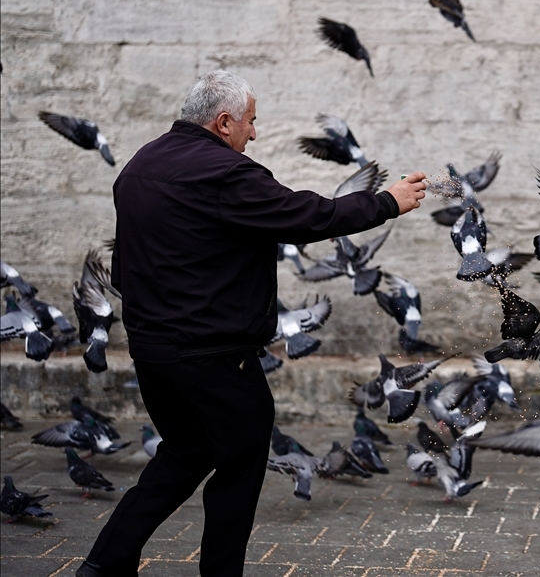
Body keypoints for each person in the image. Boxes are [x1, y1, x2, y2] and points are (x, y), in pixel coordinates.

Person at [77, 70, 426, 577]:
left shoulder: (139, 166)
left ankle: (103, 564)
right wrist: (386, 202)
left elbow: (127, 268)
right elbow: (308, 216)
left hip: (152, 350)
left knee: (185, 453)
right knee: (239, 469)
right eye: (251, 122)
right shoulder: (224, 173)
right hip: (213, 359)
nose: (254, 133)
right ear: (223, 122)